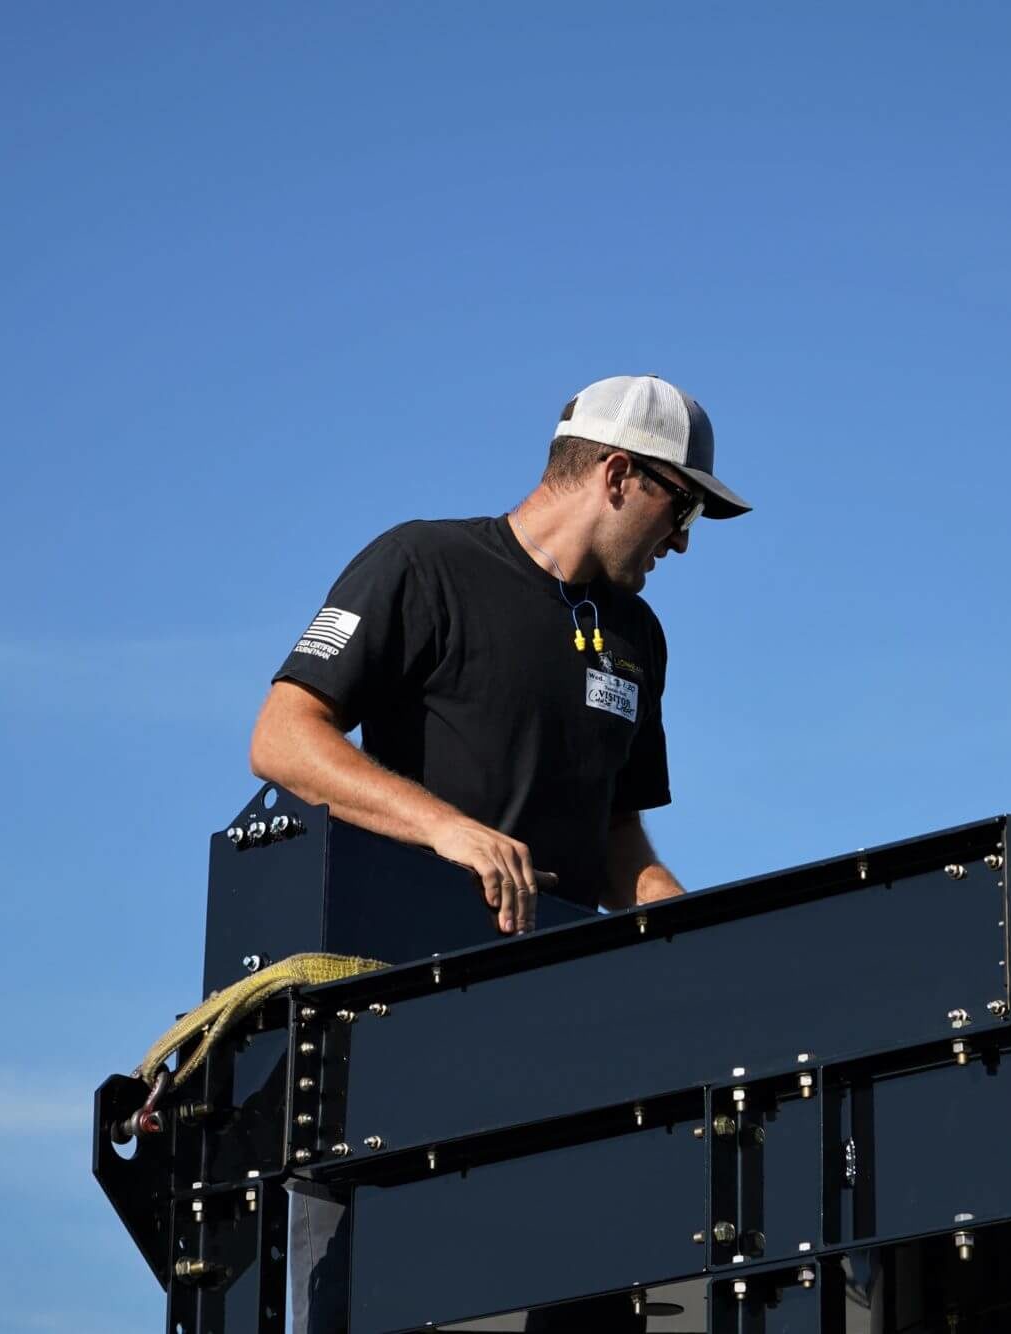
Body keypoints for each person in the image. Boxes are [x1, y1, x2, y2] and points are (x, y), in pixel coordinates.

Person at [248, 374, 751, 1333]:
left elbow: (618, 836)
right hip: (419, 1013)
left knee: (594, 1291)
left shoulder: (637, 635)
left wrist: (686, 925)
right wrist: (445, 826)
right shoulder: (422, 564)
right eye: (680, 505)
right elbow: (283, 738)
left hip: (567, 1023)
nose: (683, 539)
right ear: (615, 474)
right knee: (418, 1286)